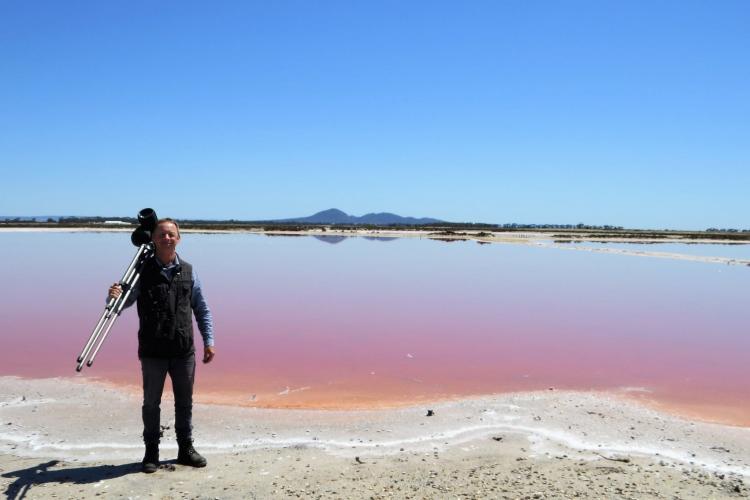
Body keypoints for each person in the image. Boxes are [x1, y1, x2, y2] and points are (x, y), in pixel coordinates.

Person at [108, 218, 215, 473]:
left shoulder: (189, 271)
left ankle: (185, 449)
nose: (167, 238)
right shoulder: (141, 272)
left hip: (183, 350)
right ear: (154, 239)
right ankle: (151, 452)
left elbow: (202, 309)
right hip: (153, 350)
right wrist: (112, 296)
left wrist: (208, 340)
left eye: (171, 234)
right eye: (161, 235)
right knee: (150, 403)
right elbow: (120, 305)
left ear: (179, 238)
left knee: (185, 402)